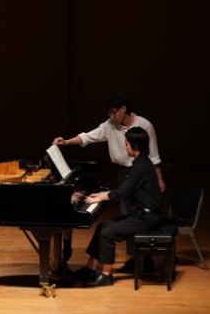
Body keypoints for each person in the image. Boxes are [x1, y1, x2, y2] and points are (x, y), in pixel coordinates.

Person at [52, 93, 164, 273]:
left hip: (138, 177)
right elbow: (88, 137)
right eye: (109, 113)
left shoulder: (144, 127)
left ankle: (135, 263)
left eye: (114, 112)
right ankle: (107, 266)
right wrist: (66, 142)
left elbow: (154, 156)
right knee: (124, 216)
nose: (112, 116)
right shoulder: (110, 125)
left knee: (125, 222)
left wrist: (158, 180)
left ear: (123, 109)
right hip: (126, 172)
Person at [72, 127, 162, 287]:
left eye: (126, 143)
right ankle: (90, 269)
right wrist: (103, 194)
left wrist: (101, 196)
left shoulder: (141, 166)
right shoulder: (140, 163)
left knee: (107, 234)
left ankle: (106, 275)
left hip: (146, 218)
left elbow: (123, 192)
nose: (124, 146)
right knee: (102, 227)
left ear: (135, 146)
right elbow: (125, 190)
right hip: (140, 215)